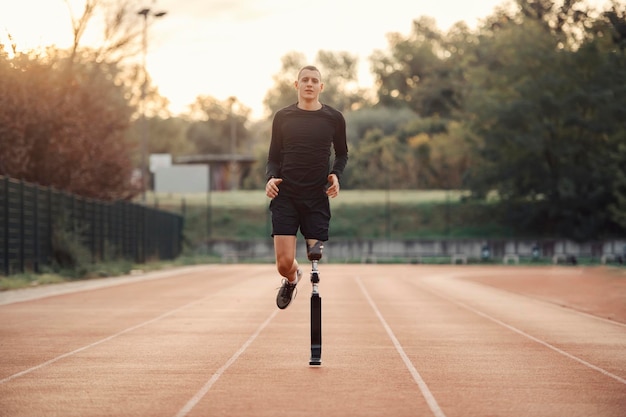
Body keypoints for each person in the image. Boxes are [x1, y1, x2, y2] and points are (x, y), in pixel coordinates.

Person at [265, 65, 349, 309]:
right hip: (286, 196)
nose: (309, 84)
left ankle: (305, 270)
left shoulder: (334, 118)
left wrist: (335, 175)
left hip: (316, 197)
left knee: (315, 254)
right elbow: (272, 157)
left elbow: (342, 154)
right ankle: (292, 278)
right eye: (305, 80)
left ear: (321, 87)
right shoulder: (283, 117)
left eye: (314, 80)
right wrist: (271, 178)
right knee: (283, 263)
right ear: (297, 85)